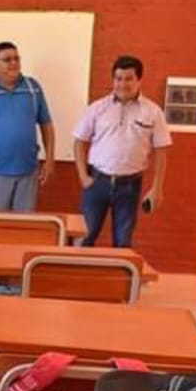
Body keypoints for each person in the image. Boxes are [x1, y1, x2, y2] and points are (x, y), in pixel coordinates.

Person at [73, 55, 171, 248]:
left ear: (139, 80)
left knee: (123, 241)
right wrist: (84, 177)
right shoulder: (98, 108)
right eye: (118, 79)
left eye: (128, 79)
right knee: (85, 236)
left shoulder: (153, 112)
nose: (122, 84)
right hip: (97, 182)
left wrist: (157, 188)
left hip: (130, 186)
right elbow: (79, 142)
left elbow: (161, 151)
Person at [0, 42, 55, 212]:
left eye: (16, 58)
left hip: (28, 171)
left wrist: (49, 160)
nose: (14, 63)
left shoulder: (33, 87)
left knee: (23, 225)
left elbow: (46, 124)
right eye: (7, 60)